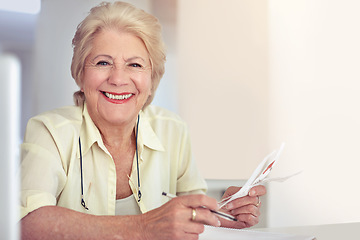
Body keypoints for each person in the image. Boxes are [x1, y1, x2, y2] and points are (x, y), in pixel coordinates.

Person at [19, 1, 266, 239]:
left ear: (152, 80)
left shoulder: (172, 130)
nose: (118, 79)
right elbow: (26, 224)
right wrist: (144, 227)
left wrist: (223, 213)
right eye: (103, 62)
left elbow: (191, 216)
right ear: (81, 74)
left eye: (134, 65)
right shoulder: (49, 131)